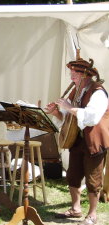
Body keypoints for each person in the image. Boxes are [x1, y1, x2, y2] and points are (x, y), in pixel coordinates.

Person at [45, 57, 108, 225]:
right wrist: (57, 113)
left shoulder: (98, 92)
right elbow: (68, 118)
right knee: (73, 175)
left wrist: (67, 107)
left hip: (95, 139)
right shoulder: (76, 91)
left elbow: (91, 118)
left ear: (86, 75)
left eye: (75, 73)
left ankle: (92, 214)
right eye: (71, 73)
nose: (71, 77)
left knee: (93, 179)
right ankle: (75, 209)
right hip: (77, 140)